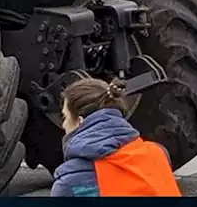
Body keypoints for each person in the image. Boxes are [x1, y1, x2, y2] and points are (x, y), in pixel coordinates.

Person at [50, 77, 181, 197]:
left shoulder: (69, 182)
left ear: (80, 121)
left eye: (65, 117)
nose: (63, 124)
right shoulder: (158, 154)